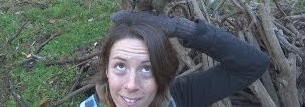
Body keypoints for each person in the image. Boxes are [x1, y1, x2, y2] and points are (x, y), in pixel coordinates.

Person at [80, 10, 270, 107]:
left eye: (147, 68)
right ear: (106, 70)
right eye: (120, 66)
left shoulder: (180, 96)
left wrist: (182, 28)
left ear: (163, 73)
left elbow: (253, 64)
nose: (131, 85)